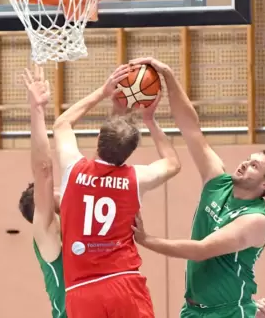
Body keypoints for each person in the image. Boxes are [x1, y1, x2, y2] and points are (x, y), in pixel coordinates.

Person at [128, 57, 265, 318]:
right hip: (192, 309)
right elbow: (191, 129)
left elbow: (201, 250)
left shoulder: (256, 219)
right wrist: (165, 78)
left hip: (228, 312)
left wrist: (147, 240)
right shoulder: (218, 181)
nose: (246, 164)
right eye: (249, 159)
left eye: (255, 166)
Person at [53, 63, 182, 318]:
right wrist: (150, 120)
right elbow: (173, 163)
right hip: (124, 282)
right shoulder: (136, 178)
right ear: (130, 153)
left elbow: (62, 124)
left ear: (98, 139)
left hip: (82, 289)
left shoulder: (74, 169)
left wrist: (103, 92)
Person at [18, 65, 66, 318]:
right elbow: (44, 169)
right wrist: (37, 110)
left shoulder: (72, 225)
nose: (58, 192)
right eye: (52, 192)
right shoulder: (47, 232)